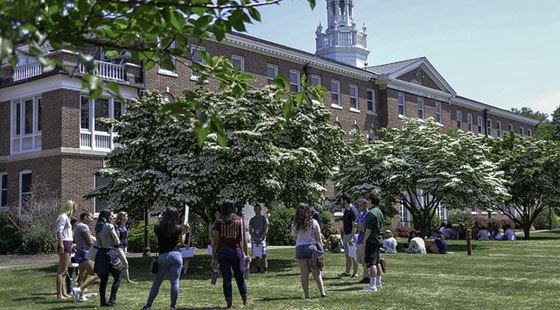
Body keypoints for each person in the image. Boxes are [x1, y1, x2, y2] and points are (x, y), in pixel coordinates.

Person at [142, 207, 187, 310]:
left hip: (163, 255)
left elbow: (157, 241)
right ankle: (172, 307)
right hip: (176, 255)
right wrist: (184, 232)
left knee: (157, 282)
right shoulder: (178, 228)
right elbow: (181, 242)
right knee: (175, 282)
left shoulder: (158, 227)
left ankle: (148, 306)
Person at [211, 200, 249, 309]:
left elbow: (216, 242)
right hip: (236, 250)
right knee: (239, 277)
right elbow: (244, 240)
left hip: (222, 251)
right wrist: (246, 254)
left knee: (226, 278)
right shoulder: (240, 221)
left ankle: (229, 304)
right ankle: (245, 301)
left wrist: (213, 257)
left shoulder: (218, 222)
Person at [291, 203, 326, 298]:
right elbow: (318, 237)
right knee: (316, 272)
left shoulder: (295, 224)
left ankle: (306, 294)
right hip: (311, 246)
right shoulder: (313, 222)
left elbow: (294, 237)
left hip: (300, 247)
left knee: (304, 273)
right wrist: (321, 250)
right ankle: (322, 293)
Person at [93, 210, 123, 307]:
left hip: (100, 253)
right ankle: (112, 300)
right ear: (107, 216)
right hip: (110, 253)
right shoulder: (109, 226)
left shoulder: (97, 227)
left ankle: (102, 301)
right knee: (118, 276)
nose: (113, 217)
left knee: (104, 279)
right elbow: (116, 240)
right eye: (111, 215)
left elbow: (97, 241)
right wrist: (118, 242)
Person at [71, 212, 99, 303]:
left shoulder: (78, 226)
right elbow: (90, 242)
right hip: (85, 253)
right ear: (85, 217)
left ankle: (81, 297)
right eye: (90, 218)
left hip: (79, 253)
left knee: (83, 276)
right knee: (95, 274)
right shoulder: (84, 227)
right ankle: (79, 289)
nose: (91, 220)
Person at [362, 193, 384, 291]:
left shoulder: (371, 213)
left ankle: (372, 285)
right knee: (377, 261)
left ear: (371, 201)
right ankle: (378, 283)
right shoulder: (379, 211)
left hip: (372, 239)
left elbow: (369, 229)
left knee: (371, 263)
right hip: (378, 239)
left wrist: (364, 240)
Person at [56, 200, 77, 299]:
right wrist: (61, 245)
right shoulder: (64, 217)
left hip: (68, 242)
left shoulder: (68, 218)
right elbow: (59, 231)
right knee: (62, 270)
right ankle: (59, 294)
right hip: (65, 242)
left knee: (65, 270)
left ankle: (63, 292)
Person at [338, 194, 359, 278]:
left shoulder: (352, 210)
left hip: (351, 235)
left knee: (353, 255)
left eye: (341, 200)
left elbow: (354, 225)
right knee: (347, 255)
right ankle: (347, 272)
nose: (341, 202)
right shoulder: (346, 210)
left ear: (345, 200)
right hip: (347, 234)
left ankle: (355, 273)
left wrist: (352, 238)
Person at [114, 211, 135, 283]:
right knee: (125, 263)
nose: (127, 218)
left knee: (123, 263)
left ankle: (125, 278)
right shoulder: (116, 226)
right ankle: (128, 279)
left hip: (124, 246)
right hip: (118, 247)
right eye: (125, 216)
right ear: (121, 217)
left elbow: (125, 236)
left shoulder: (124, 225)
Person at [354, 198, 370, 284]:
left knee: (364, 260)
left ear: (366, 205)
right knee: (359, 259)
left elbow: (364, 228)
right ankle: (367, 275)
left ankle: (367, 277)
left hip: (364, 239)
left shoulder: (368, 214)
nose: (359, 207)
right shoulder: (361, 214)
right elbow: (356, 224)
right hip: (359, 239)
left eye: (361, 205)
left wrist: (358, 226)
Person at [249, 203, 269, 273]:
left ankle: (265, 268)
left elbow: (266, 230)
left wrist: (261, 238)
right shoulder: (252, 220)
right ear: (254, 210)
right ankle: (258, 268)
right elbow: (250, 231)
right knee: (257, 255)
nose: (257, 210)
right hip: (255, 238)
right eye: (256, 209)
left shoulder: (264, 219)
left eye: (258, 209)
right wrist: (255, 238)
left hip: (262, 239)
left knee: (264, 254)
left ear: (261, 209)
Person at [66, 217, 80, 296]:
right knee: (70, 271)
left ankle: (79, 286)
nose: (76, 225)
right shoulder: (70, 232)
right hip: (71, 253)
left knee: (77, 270)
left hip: (75, 253)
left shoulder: (73, 232)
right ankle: (69, 289)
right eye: (75, 223)